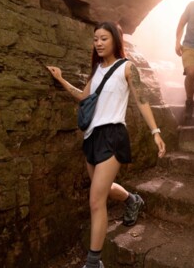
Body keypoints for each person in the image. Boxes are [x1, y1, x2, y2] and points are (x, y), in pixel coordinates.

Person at [46, 21, 166, 268]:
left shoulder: (127, 67)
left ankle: (93, 263)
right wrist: (61, 79)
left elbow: (142, 99)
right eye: (95, 39)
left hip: (113, 135)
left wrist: (155, 131)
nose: (98, 43)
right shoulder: (97, 70)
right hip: (91, 137)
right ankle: (132, 200)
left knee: (95, 201)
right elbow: (83, 96)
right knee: (104, 188)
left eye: (103, 38)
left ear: (115, 40)